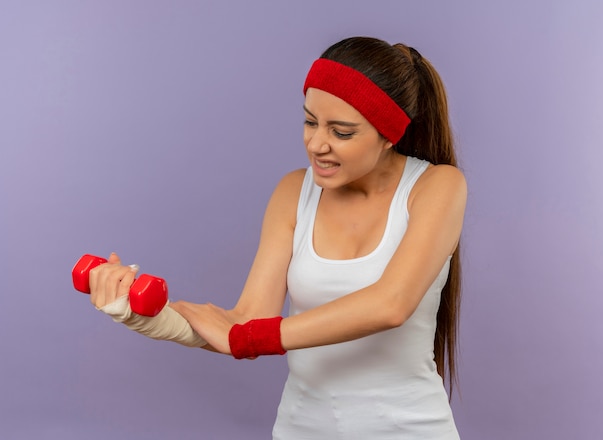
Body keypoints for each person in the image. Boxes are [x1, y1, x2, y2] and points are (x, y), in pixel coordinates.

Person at [88, 36, 466, 439]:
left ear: (389, 134)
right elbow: (246, 321)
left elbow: (390, 304)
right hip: (301, 428)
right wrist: (138, 312)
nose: (316, 144)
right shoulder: (293, 192)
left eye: (341, 132)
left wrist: (249, 338)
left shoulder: (437, 187)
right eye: (310, 121)